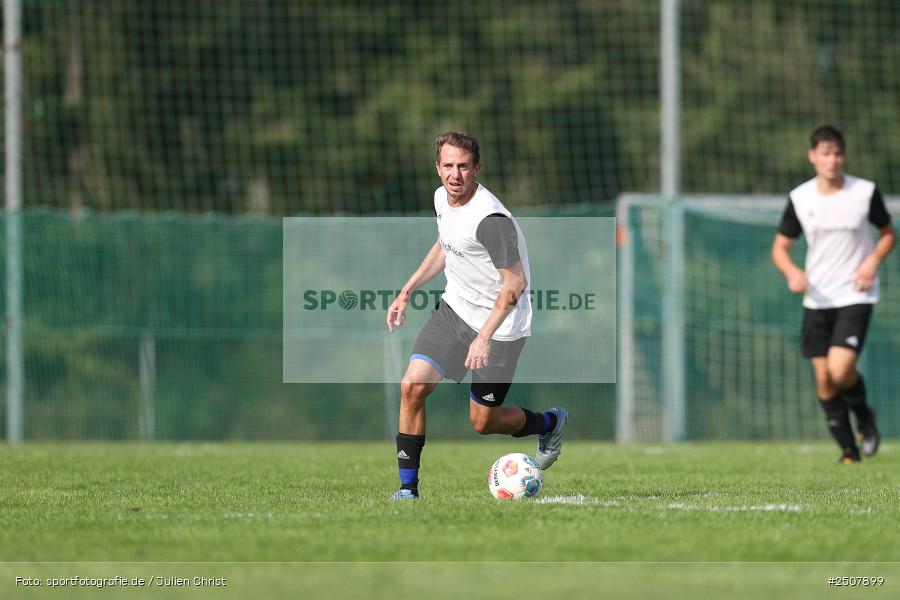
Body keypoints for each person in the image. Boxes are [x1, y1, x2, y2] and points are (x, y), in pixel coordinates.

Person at [385, 132, 567, 500]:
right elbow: (447, 244)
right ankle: (407, 490)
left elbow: (516, 282)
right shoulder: (441, 198)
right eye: (448, 166)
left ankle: (549, 422)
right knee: (412, 387)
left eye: (464, 166)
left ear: (477, 168)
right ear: (438, 168)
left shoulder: (490, 219)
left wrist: (483, 336)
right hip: (454, 311)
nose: (455, 174)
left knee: (484, 421)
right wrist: (407, 290)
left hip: (500, 328)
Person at [772, 125, 895, 464]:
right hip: (817, 298)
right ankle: (849, 453)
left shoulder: (864, 192)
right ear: (813, 156)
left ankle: (865, 416)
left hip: (856, 294)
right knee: (824, 379)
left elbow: (888, 233)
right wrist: (792, 272)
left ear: (844, 156)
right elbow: (780, 248)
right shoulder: (801, 198)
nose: (833, 160)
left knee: (840, 371)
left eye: (838, 153)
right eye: (826, 154)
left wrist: (871, 262)